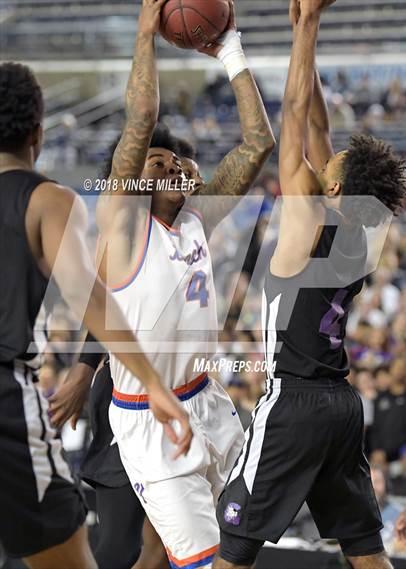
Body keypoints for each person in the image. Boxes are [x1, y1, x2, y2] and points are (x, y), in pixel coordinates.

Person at [50, 1, 275, 567]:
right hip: (150, 417)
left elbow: (257, 145)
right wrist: (147, 33)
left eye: (176, 159)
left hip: (210, 403)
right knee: (204, 559)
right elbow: (141, 116)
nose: (169, 165)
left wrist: (229, 49)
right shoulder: (124, 224)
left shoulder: (200, 216)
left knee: (224, 550)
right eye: (154, 163)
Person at [213, 1, 406, 569]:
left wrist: (310, 25)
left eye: (332, 166)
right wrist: (304, 28)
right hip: (342, 404)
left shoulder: (304, 224)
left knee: (233, 549)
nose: (326, 160)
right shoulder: (366, 229)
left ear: (332, 189)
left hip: (293, 401)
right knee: (366, 551)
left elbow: (296, 119)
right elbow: (319, 127)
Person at [0, 59, 192, 569]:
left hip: (147, 397)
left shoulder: (189, 225)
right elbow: (95, 297)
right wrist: (143, 379)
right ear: (39, 133)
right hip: (43, 396)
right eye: (158, 164)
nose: (172, 172)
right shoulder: (53, 201)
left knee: (147, 544)